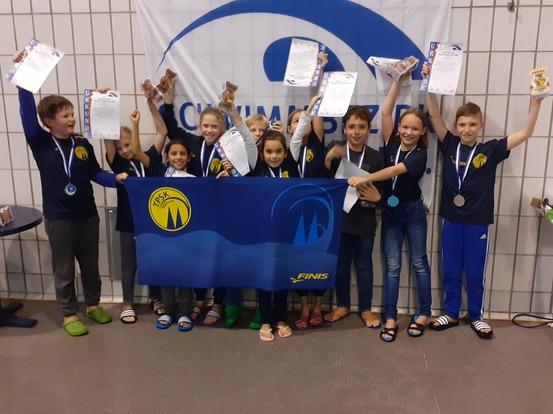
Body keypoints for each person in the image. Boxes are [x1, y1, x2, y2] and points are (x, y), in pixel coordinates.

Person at [422, 62, 545, 339]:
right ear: (456, 126)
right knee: (451, 269)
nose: (467, 129)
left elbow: (525, 134)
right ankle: (450, 313)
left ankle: (476, 316)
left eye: (472, 124)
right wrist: (428, 84)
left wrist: (535, 103)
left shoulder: (490, 150)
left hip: (477, 222)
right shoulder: (449, 143)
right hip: (451, 220)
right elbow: (434, 114)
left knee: (475, 272)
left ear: (481, 126)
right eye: (462, 124)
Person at [13, 51, 128, 336]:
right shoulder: (40, 142)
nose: (72, 118)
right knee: (64, 268)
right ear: (48, 121)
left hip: (87, 215)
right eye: (66, 115)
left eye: (73, 113)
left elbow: (95, 173)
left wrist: (116, 179)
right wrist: (22, 73)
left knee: (90, 266)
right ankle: (68, 314)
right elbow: (26, 111)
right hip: (60, 218)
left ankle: (93, 304)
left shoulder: (81, 143)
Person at [159, 77, 257, 325]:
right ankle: (200, 299)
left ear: (222, 127)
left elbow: (248, 153)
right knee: (198, 256)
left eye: (214, 126)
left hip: (224, 211)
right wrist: (168, 99)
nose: (209, 130)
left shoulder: (230, 146)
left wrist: (231, 173)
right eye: (205, 125)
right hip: (197, 211)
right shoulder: (193, 143)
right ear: (199, 126)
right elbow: (170, 126)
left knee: (220, 256)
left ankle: (218, 302)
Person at [348, 72, 431, 342]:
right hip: (391, 212)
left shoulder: (420, 154)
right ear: (398, 129)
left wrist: (366, 178)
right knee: (392, 266)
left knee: (419, 262)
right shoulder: (392, 143)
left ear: (422, 132)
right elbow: (386, 113)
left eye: (414, 129)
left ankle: (424, 313)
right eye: (404, 127)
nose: (408, 132)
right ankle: (391, 317)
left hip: (413, 212)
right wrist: (398, 81)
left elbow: (395, 170)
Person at [104, 97, 168, 324]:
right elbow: (107, 138)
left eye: (126, 144)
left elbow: (162, 131)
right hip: (128, 219)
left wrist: (149, 107)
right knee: (128, 263)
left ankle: (156, 298)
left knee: (154, 260)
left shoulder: (149, 158)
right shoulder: (118, 164)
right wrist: (104, 104)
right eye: (119, 147)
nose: (123, 150)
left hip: (152, 219)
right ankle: (127, 303)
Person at [323, 106, 384, 328]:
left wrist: (379, 198)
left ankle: (366, 309)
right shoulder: (335, 150)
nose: (356, 132)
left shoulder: (376, 157)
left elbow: (385, 193)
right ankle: (342, 305)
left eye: (361, 127)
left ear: (369, 129)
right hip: (339, 220)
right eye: (351, 127)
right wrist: (328, 160)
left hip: (364, 221)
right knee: (341, 265)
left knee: (364, 266)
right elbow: (323, 180)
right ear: (344, 128)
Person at [251, 130, 298, 341]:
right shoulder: (257, 169)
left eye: (278, 151)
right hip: (261, 233)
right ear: (262, 154)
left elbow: (298, 137)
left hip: (285, 233)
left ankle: (281, 319)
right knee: (263, 276)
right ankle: (265, 320)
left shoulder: (291, 168)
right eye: (269, 151)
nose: (273, 156)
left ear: (285, 153)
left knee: (281, 276)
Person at [288, 94, 327, 329]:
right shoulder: (288, 151)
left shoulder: (317, 144)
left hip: (319, 210)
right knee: (299, 261)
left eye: (306, 119)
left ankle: (318, 306)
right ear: (289, 128)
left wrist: (320, 79)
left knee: (319, 258)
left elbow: (317, 114)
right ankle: (304, 307)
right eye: (296, 120)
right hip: (296, 213)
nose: (302, 122)